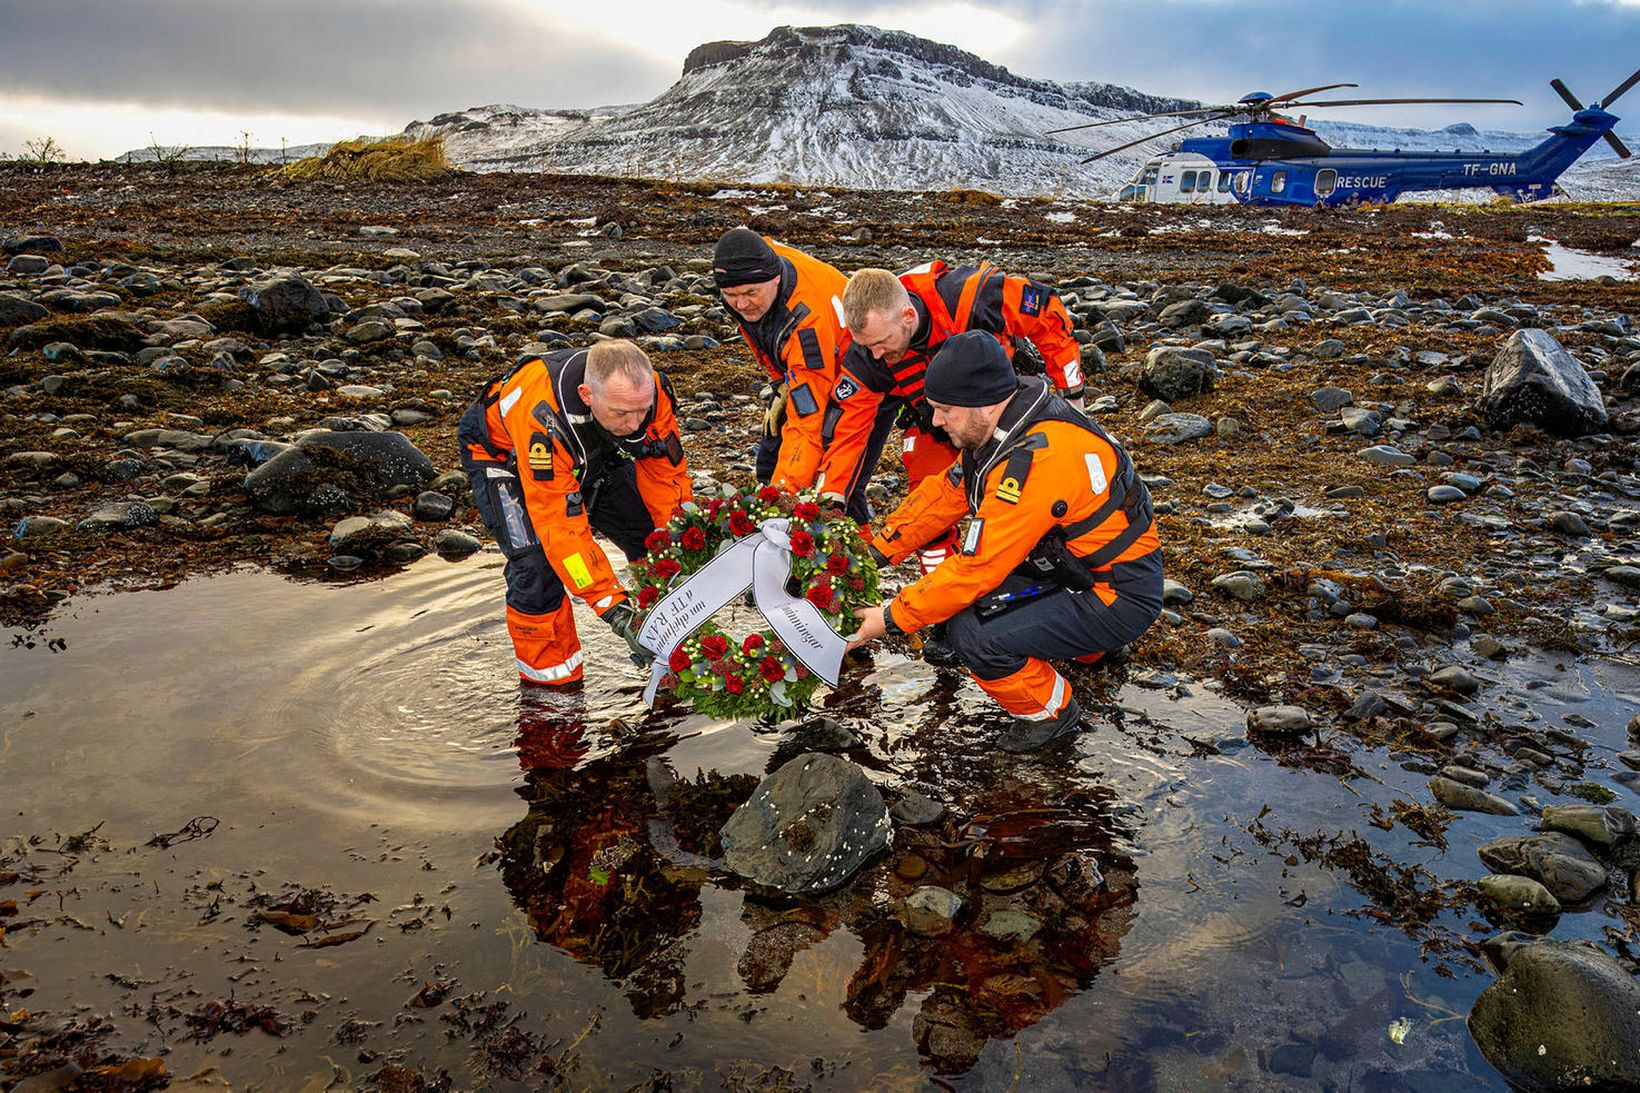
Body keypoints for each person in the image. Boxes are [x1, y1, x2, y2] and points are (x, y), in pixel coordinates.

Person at [848, 332, 1162, 753]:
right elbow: (946, 494)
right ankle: (1094, 648)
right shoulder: (1004, 427)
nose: (935, 421)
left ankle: (1050, 712)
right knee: (964, 609)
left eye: (944, 410)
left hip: (1116, 593)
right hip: (1078, 569)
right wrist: (873, 554)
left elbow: (977, 568)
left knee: (971, 633)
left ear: (984, 401)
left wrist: (888, 618)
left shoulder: (1036, 459)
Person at [815, 262, 1087, 577]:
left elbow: (1047, 317)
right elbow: (848, 429)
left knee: (1028, 503)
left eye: (881, 343)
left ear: (908, 316)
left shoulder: (973, 296)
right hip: (935, 425)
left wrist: (1072, 397)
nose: (875, 355)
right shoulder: (867, 354)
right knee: (926, 503)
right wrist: (830, 498)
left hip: (1007, 413)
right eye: (867, 346)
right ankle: (940, 591)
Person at [458, 339, 690, 685]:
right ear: (586, 395)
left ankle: (664, 639)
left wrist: (675, 548)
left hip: (596, 451)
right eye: (622, 413)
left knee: (649, 537)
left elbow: (665, 476)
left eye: (642, 411)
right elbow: (561, 530)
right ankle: (551, 691)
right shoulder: (542, 419)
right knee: (535, 569)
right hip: (507, 461)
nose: (634, 424)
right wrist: (614, 608)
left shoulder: (649, 394)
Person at [713, 228, 875, 519]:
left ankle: (855, 556)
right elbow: (759, 333)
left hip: (863, 376)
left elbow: (807, 422)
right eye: (731, 295)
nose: (742, 304)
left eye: (751, 293)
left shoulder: (805, 323)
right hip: (803, 371)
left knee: (841, 488)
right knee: (769, 460)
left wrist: (782, 498)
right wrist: (780, 383)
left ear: (775, 279)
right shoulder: (752, 262)